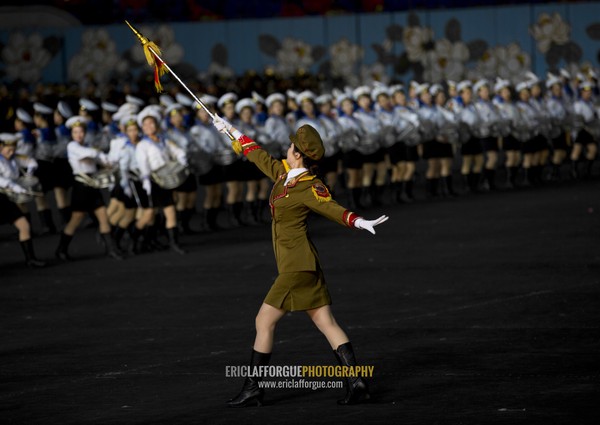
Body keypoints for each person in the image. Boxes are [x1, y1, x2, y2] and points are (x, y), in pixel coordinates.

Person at [212, 115, 388, 407]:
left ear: (297, 153)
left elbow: (330, 207)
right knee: (325, 321)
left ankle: (253, 387)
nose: (287, 148)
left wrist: (356, 221)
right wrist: (230, 130)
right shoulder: (284, 175)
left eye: (291, 146)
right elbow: (259, 156)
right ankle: (356, 382)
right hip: (301, 264)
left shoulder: (308, 185)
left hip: (297, 266)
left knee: (263, 321)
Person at [54, 116, 123, 261]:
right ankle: (61, 249)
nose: (78, 135)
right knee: (76, 219)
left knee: (103, 216)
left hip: (93, 184)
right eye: (75, 132)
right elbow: (88, 155)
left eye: (80, 132)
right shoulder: (72, 146)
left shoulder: (88, 146)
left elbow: (103, 160)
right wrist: (98, 154)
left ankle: (111, 249)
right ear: (72, 134)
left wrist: (112, 160)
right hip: (81, 186)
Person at [0, 133, 46, 268]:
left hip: (6, 199)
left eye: (13, 148)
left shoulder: (13, 159)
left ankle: (30, 259)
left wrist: (29, 173)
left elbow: (31, 162)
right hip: (2, 195)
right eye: (8, 148)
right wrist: (15, 186)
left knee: (23, 225)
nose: (11, 151)